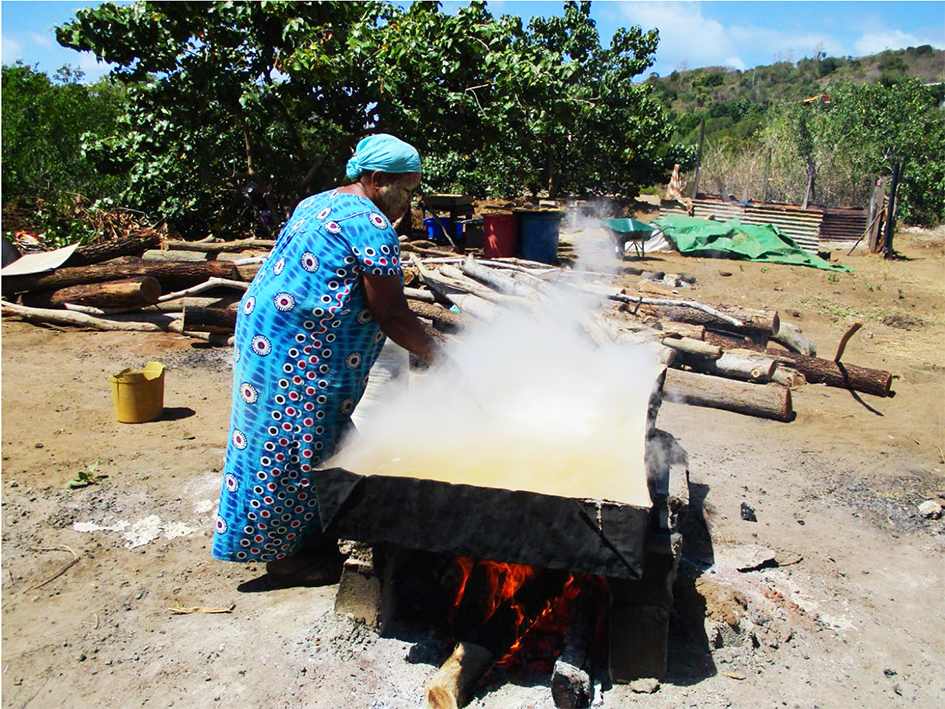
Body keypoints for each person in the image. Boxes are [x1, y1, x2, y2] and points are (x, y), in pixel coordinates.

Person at [212, 134, 439, 584]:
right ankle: (290, 558)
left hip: (270, 330)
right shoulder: (371, 224)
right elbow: (392, 314)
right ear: (378, 180)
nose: (409, 201)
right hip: (298, 344)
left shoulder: (318, 202)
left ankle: (317, 536)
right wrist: (441, 356)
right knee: (295, 443)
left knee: (291, 435)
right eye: (406, 189)